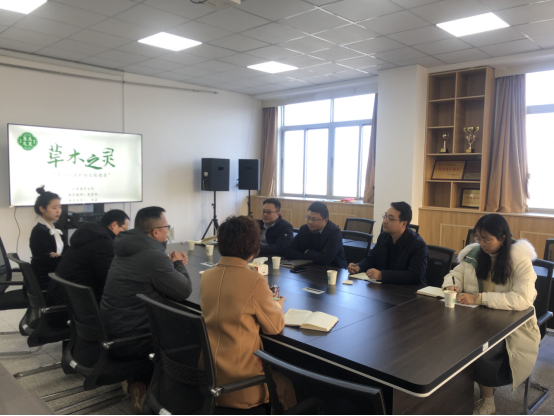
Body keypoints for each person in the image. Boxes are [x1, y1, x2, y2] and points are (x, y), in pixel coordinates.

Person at [442, 214, 540, 416]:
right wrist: (452, 285)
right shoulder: (473, 254)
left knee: (482, 349)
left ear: (503, 238)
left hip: (511, 326)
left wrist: (478, 298)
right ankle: (452, 394)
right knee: (444, 338)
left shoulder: (519, 260)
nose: (481, 244)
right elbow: (455, 274)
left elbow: (523, 299)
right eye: (478, 238)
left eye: (486, 239)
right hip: (474, 318)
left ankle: (488, 400)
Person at [201, 216, 289, 410]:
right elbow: (274, 327)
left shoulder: (206, 276)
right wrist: (278, 305)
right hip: (241, 382)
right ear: (254, 247)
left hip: (208, 374)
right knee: (287, 385)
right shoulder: (255, 281)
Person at [47, 209, 130, 306]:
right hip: (74, 302)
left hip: (62, 295)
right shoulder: (103, 244)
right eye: (124, 230)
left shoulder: (89, 235)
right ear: (114, 225)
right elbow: (109, 280)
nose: (125, 234)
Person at [348, 202, 428, 285]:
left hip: (409, 290)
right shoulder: (383, 237)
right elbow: (372, 259)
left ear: (404, 224)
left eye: (391, 219)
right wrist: (359, 266)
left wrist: (382, 275)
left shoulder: (418, 245)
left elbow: (414, 275)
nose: (385, 221)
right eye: (385, 216)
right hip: (385, 287)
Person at [284, 202, 347, 269]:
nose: (310, 222)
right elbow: (288, 250)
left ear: (325, 220)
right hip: (310, 268)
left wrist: (307, 252)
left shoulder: (334, 233)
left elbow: (325, 260)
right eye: (308, 218)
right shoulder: (304, 229)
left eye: (314, 219)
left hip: (333, 270)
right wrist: (307, 256)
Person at [30, 187, 64, 291]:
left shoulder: (56, 227)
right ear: (42, 209)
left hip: (56, 273)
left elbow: (66, 248)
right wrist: (64, 257)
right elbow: (48, 259)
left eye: (60, 207)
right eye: (54, 208)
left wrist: (60, 256)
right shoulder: (39, 231)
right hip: (45, 280)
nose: (58, 211)